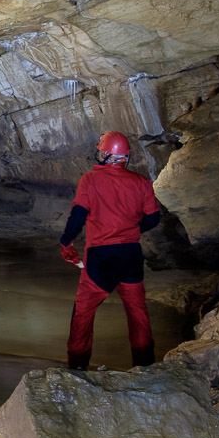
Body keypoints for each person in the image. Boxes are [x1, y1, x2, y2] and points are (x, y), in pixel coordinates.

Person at [59, 131, 160, 369]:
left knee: (83, 312)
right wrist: (132, 228)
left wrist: (66, 242)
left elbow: (78, 216)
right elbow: (153, 219)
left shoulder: (90, 180)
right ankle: (145, 366)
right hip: (130, 256)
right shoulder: (141, 182)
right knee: (138, 313)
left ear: (105, 155)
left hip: (101, 258)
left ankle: (78, 366)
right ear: (125, 157)